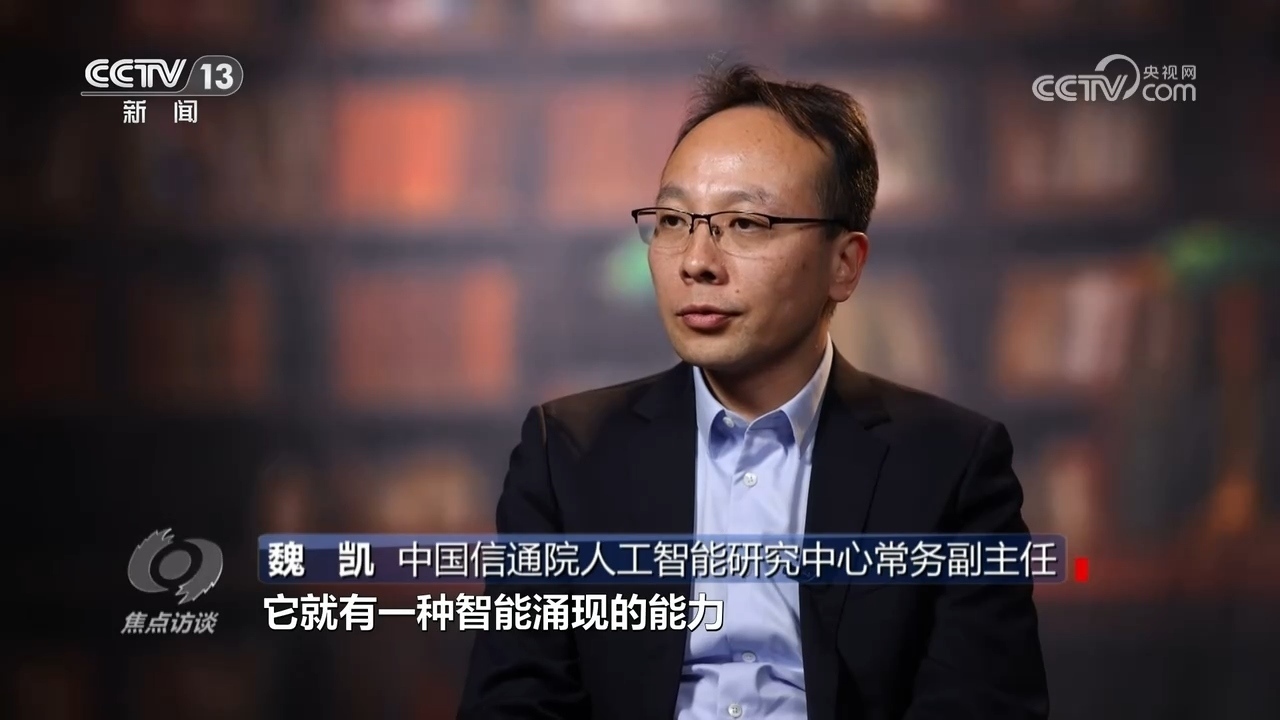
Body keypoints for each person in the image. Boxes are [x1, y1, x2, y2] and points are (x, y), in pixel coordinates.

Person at [459, 63, 1048, 720]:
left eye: (745, 223)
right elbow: (514, 701)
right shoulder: (567, 453)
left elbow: (981, 705)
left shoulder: (951, 464)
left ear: (844, 264)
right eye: (673, 220)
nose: (696, 262)